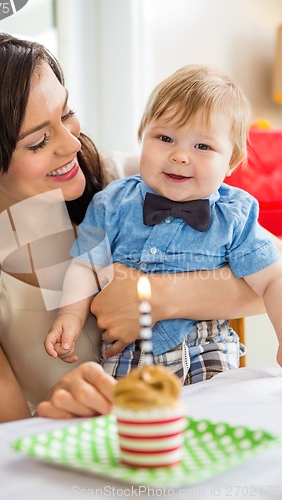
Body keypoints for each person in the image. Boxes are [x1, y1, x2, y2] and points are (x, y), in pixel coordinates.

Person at [0, 31, 281, 430]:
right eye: (39, 141)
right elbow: (5, 441)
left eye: (67, 113)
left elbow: (270, 274)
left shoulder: (132, 181)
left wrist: (160, 297)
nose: (72, 143)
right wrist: (64, 412)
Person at [45, 65, 282, 383]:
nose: (180, 156)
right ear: (142, 137)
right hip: (127, 357)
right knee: (116, 421)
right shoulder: (112, 201)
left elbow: (272, 279)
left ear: (231, 162)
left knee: (217, 416)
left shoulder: (234, 215)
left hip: (203, 353)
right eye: (165, 138)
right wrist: (70, 314)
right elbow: (85, 264)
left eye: (202, 146)